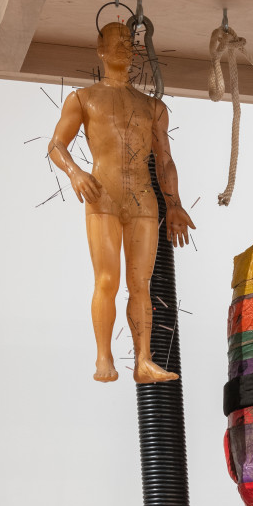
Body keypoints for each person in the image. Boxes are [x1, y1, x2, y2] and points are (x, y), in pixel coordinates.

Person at [48, 20, 195, 383]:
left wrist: (174, 203)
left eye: (129, 43)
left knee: (140, 283)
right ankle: (104, 357)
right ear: (100, 48)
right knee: (108, 279)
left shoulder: (153, 106)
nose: (124, 49)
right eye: (115, 43)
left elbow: (165, 159)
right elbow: (56, 144)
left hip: (144, 199)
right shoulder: (83, 98)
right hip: (103, 196)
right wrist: (75, 172)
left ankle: (143, 360)